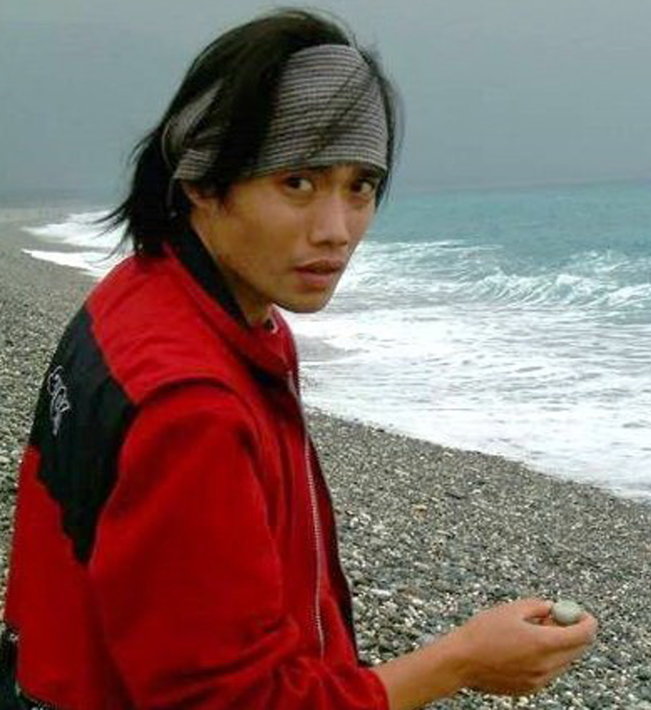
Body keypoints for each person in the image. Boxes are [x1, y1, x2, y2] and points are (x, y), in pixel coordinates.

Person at [0, 8, 597, 709]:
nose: (336, 230)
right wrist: (459, 660)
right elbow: (235, 701)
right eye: (297, 182)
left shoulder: (144, 293)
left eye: (360, 185)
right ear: (203, 179)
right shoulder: (189, 405)